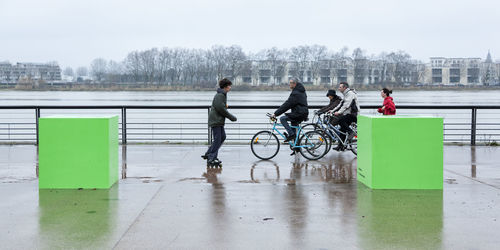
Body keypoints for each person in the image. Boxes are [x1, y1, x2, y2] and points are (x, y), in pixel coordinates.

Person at [202, 78, 237, 166]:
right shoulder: (220, 95)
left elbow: (221, 106)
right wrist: (231, 117)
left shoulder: (222, 94)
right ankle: (211, 157)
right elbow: (220, 108)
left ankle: (209, 154)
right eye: (229, 86)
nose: (230, 88)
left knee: (222, 137)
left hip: (218, 120)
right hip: (216, 120)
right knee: (218, 139)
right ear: (225, 87)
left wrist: (225, 106)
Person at [271, 78, 308, 143]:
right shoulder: (300, 90)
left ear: (295, 84)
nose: (289, 84)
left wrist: (275, 114)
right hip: (301, 113)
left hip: (299, 114)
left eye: (290, 83)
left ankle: (291, 135)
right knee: (293, 128)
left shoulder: (296, 93)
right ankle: (296, 148)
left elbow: (287, 104)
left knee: (282, 119)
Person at [330, 82, 360, 151]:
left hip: (353, 114)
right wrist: (332, 111)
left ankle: (351, 132)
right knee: (341, 129)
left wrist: (339, 112)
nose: (339, 88)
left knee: (340, 120)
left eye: (340, 87)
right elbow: (340, 104)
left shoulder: (350, 94)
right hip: (348, 114)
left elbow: (346, 105)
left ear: (345, 88)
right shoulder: (346, 94)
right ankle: (341, 146)